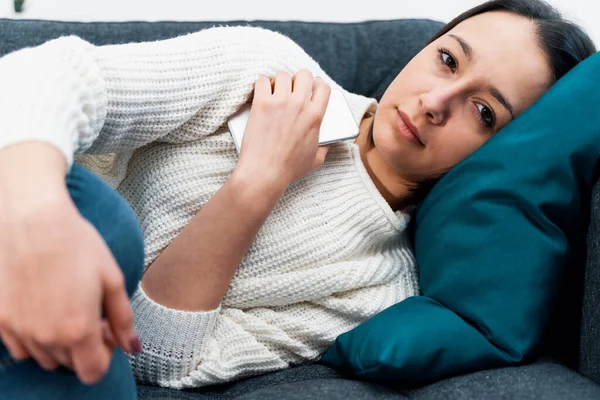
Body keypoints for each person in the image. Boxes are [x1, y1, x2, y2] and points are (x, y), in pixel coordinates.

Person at [0, 0, 595, 396]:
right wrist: (37, 208)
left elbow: (158, 359)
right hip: (22, 210)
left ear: (502, 151)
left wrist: (256, 183)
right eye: (446, 60)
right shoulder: (278, 75)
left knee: (98, 356)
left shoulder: (379, 287)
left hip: (61, 352)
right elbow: (52, 76)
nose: (436, 102)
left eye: (484, 112)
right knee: (105, 225)